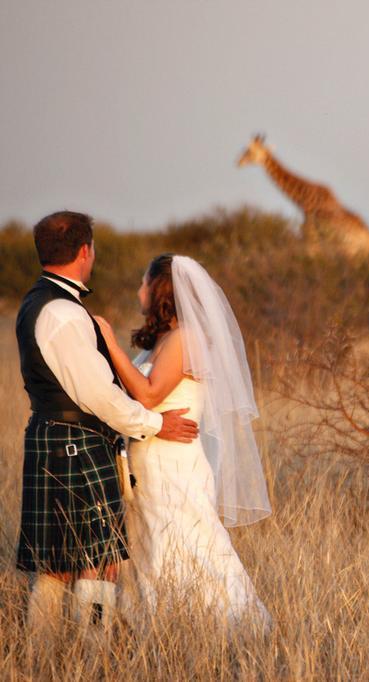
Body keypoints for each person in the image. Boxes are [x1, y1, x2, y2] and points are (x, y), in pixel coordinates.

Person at [15, 211, 199, 638]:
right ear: (85, 251)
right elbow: (98, 395)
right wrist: (153, 424)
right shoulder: (64, 312)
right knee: (100, 563)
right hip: (77, 442)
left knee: (57, 563)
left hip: (55, 438)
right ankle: (88, 655)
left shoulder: (35, 302)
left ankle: (41, 659)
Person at [93, 253, 271, 629]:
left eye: (144, 282)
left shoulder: (184, 338)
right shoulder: (162, 340)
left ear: (161, 290)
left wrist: (108, 341)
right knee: (153, 549)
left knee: (187, 546)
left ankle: (228, 626)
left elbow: (148, 395)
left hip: (172, 465)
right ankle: (161, 630)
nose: (139, 289)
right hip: (148, 465)